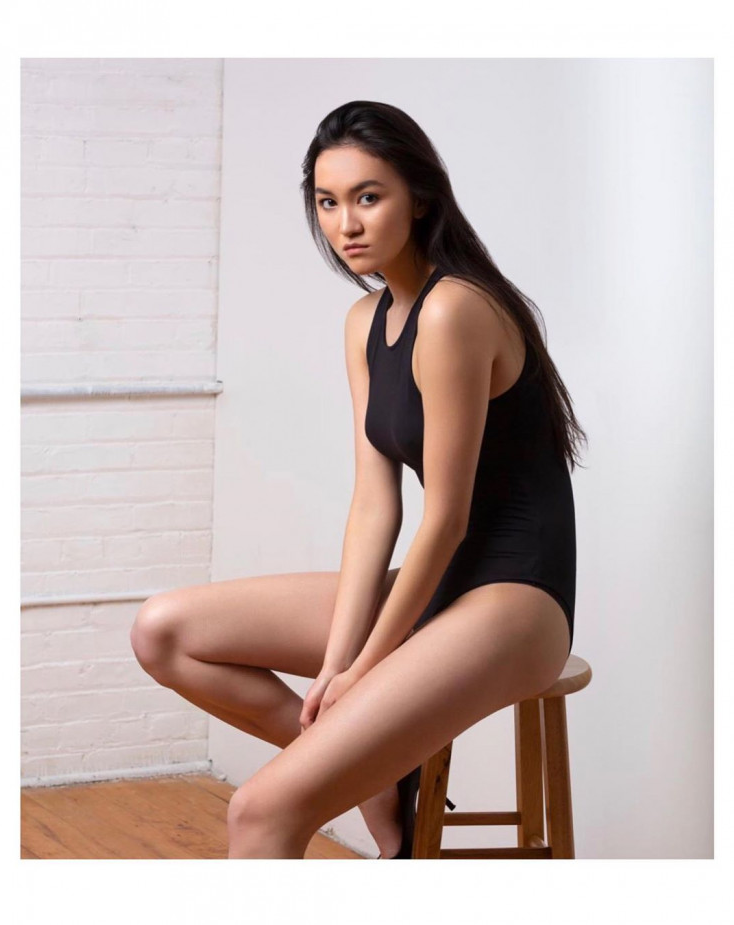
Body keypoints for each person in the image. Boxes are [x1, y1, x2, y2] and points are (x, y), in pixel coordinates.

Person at [130, 100, 587, 860]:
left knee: (259, 811)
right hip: (440, 586)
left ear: (420, 198)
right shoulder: (364, 321)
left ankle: (358, 760)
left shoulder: (455, 312)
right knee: (162, 631)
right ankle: (378, 774)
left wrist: (363, 671)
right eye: (328, 201)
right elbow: (375, 505)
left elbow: (446, 518)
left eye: (368, 197)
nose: (346, 224)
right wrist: (339, 669)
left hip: (515, 598)